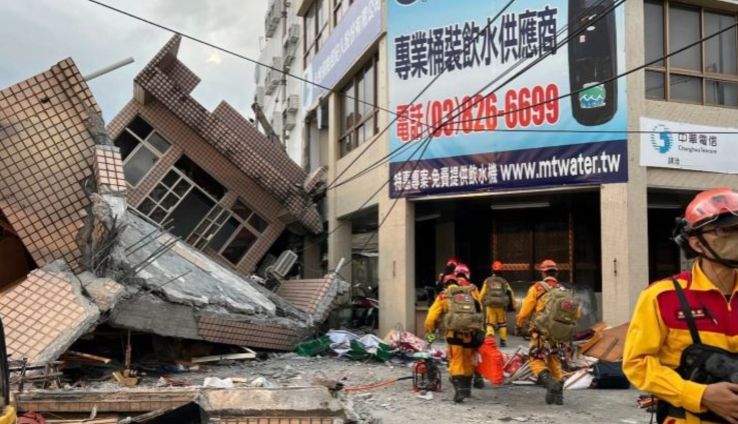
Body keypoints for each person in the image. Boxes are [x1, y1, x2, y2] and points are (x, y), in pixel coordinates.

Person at [623, 188, 738, 424]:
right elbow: (637, 364)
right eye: (723, 230)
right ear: (697, 243)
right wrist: (698, 394)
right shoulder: (662, 297)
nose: (735, 237)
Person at [516, 259, 580, 405]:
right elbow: (576, 314)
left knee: (535, 359)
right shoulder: (564, 290)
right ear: (556, 273)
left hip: (541, 332)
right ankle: (557, 395)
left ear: (543, 273)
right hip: (558, 334)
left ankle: (550, 383)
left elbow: (525, 310)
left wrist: (519, 324)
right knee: (554, 360)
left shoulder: (537, 288)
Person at [425, 263, 484, 403]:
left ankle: (459, 390)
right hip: (470, 333)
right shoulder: (469, 293)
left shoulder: (444, 296)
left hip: (454, 334)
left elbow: (430, 318)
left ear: (445, 284)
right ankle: (466, 389)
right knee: (467, 360)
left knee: (456, 360)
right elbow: (479, 310)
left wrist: (430, 332)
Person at [479, 260, 516, 347]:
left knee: (490, 323)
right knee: (502, 323)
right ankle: (503, 341)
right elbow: (510, 292)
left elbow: (482, 293)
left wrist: (479, 302)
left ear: (492, 270)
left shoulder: (487, 281)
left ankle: (490, 340)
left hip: (490, 305)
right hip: (501, 306)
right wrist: (513, 304)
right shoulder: (504, 281)